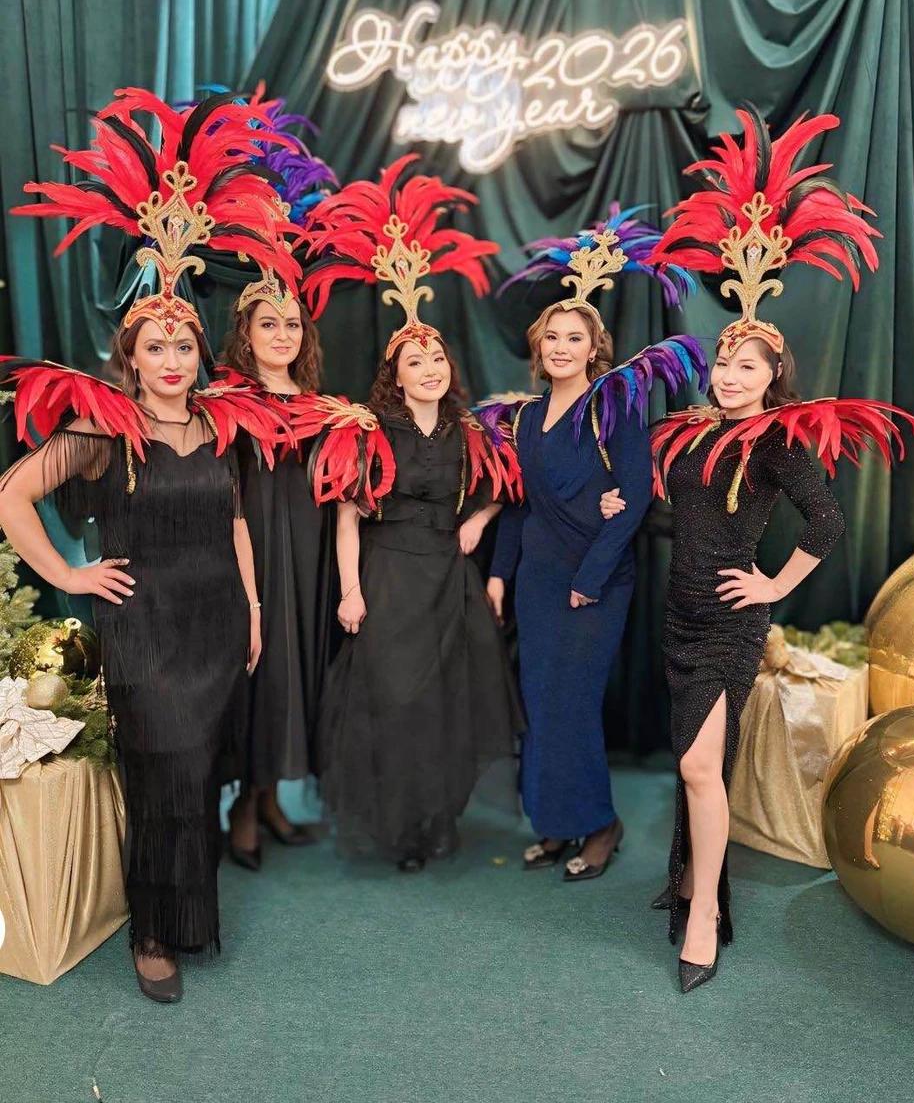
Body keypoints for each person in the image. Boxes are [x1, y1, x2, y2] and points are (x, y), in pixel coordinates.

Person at [604, 107, 914, 991]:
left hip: (728, 627)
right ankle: (686, 881)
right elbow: (682, 520)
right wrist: (628, 504)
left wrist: (773, 584)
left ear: (773, 375)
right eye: (723, 363)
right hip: (678, 617)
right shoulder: (694, 435)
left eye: (747, 366)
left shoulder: (779, 441)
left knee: (699, 764)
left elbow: (827, 524)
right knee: (693, 766)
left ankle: (706, 910)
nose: (729, 375)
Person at [0, 87, 296, 1002]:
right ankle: (154, 935)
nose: (172, 360)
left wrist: (253, 609)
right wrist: (67, 570)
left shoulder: (221, 424)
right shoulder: (101, 427)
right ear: (130, 357)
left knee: (197, 777)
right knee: (161, 771)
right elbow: (12, 495)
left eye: (183, 346)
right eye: (155, 347)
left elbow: (235, 521)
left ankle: (186, 919)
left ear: (201, 354)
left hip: (216, 622)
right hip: (143, 626)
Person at [299, 156, 524, 870]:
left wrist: (477, 521)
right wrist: (351, 591)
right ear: (395, 376)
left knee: (447, 700)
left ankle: (437, 816)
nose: (429, 370)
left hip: (449, 576)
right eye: (415, 363)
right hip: (389, 575)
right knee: (394, 701)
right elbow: (346, 516)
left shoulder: (470, 432)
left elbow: (503, 485)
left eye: (437, 360)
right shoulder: (368, 431)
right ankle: (397, 823)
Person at [481, 207, 704, 880]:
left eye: (573, 337)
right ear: (537, 347)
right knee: (540, 705)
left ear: (592, 348)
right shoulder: (524, 420)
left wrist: (591, 576)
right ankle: (555, 824)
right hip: (537, 581)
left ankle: (600, 825)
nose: (560, 347)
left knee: (572, 707)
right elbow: (520, 505)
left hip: (594, 582)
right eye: (551, 337)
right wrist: (499, 575)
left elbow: (630, 497)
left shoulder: (614, 407)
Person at [219, 290, 336, 868]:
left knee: (296, 671)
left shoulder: (323, 406)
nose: (283, 335)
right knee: (260, 671)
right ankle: (244, 801)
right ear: (246, 332)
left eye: (293, 324)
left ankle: (269, 800)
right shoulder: (226, 401)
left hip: (311, 549)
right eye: (269, 324)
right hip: (256, 547)